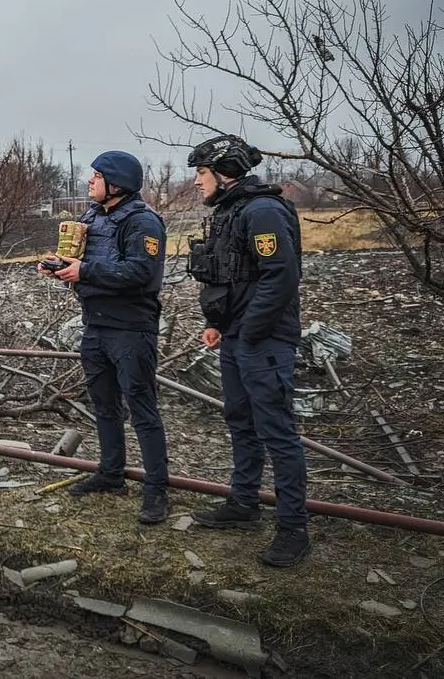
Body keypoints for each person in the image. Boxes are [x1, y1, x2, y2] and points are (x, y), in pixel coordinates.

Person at [184, 133, 310, 568]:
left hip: (265, 340)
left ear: (225, 171)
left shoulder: (263, 211)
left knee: (277, 431)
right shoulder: (230, 211)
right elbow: (231, 276)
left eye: (201, 173)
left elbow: (281, 278)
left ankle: (293, 528)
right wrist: (218, 325)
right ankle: (243, 503)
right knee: (240, 420)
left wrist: (251, 332)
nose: (198, 182)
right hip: (238, 336)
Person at [38, 150, 170, 524]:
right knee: (104, 405)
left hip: (130, 328)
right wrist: (60, 268)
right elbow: (84, 263)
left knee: (142, 409)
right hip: (95, 325)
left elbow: (140, 273)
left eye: (96, 177)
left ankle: (156, 489)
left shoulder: (143, 222)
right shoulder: (91, 216)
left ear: (117, 184)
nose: (89, 182)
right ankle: (111, 474)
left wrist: (85, 270)